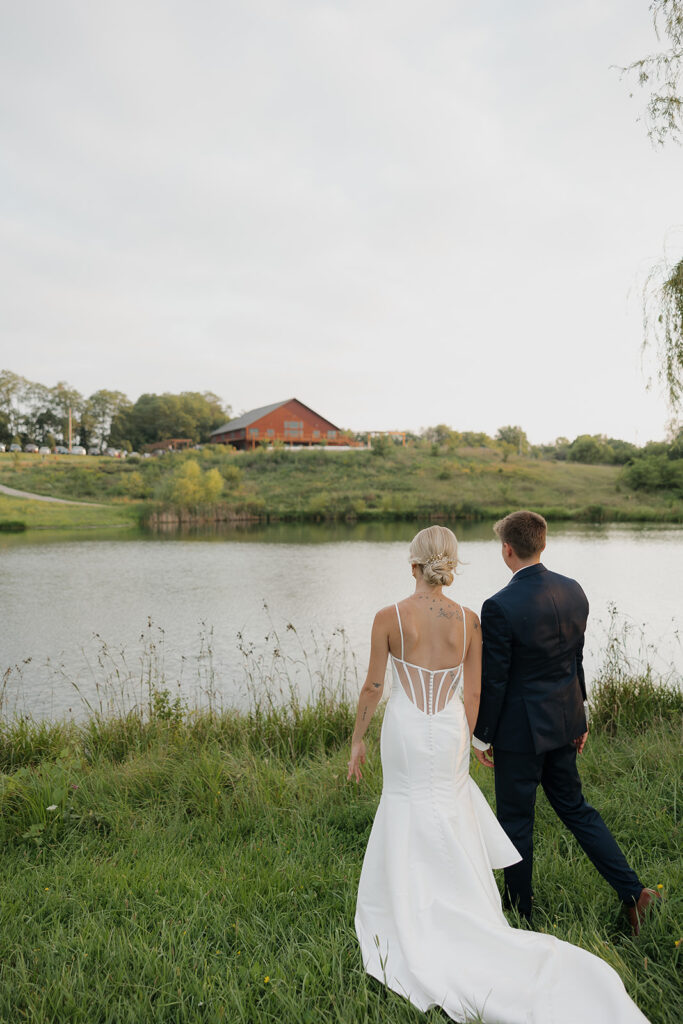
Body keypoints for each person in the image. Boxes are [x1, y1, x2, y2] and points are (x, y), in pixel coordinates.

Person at [348, 524, 650, 1023]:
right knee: (524, 806)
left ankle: (479, 908)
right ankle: (620, 893)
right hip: (506, 728)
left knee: (463, 813)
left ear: (413, 564)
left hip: (447, 732)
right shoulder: (501, 611)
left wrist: (363, 740)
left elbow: (385, 686)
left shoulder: (420, 615)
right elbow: (500, 684)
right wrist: (480, 735)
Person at [472, 510, 659, 933]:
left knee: (517, 823)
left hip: (521, 735)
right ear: (542, 543)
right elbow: (575, 658)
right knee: (577, 809)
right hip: (564, 722)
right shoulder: (574, 590)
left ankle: (519, 920)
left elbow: (496, 680)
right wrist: (583, 713)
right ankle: (634, 893)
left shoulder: (498, 606)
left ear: (507, 549)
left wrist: (483, 736)